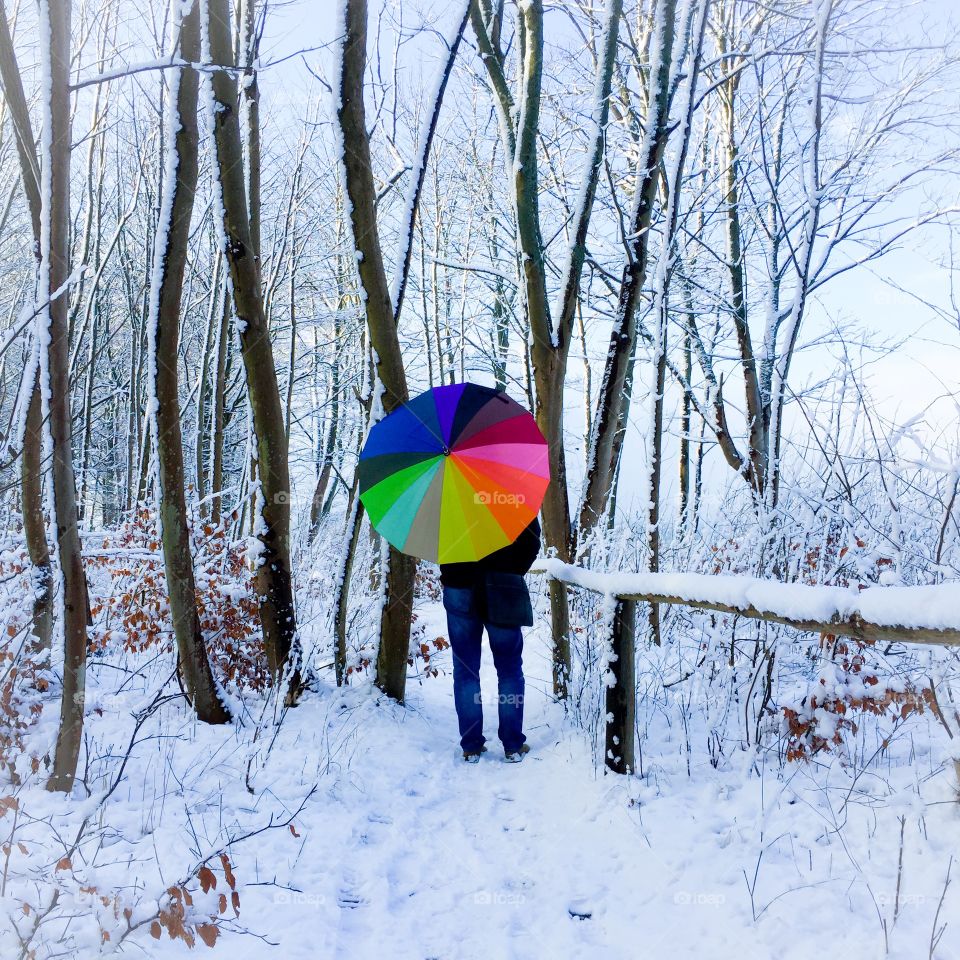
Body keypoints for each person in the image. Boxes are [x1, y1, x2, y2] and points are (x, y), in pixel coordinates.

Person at [439, 517, 541, 763]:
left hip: (458, 586)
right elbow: (532, 541)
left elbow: (437, 543)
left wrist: (453, 571)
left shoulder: (447, 495)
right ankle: (513, 745)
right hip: (502, 586)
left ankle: (471, 746)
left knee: (465, 671)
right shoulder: (511, 489)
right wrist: (511, 571)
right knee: (509, 670)